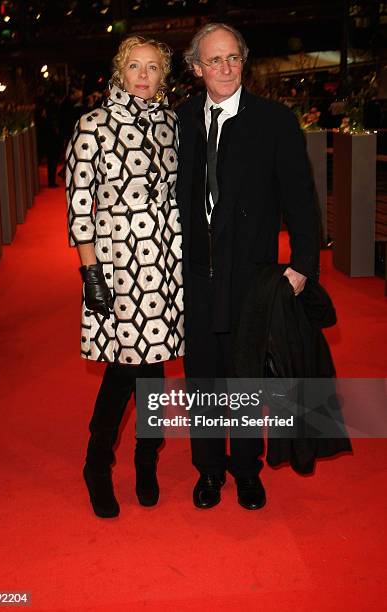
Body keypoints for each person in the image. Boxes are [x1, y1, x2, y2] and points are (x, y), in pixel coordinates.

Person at [176, 23, 319, 510]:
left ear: (244, 61)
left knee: (244, 378)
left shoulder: (274, 120)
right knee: (205, 377)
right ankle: (210, 470)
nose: (224, 68)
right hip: (196, 275)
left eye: (232, 58)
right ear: (196, 68)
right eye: (213, 60)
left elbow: (301, 199)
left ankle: (246, 469)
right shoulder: (181, 120)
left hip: (251, 275)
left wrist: (302, 264)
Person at [66, 36, 184, 518]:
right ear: (119, 71)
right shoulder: (92, 125)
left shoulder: (172, 123)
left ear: (164, 74)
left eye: (153, 67)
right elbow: (79, 207)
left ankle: (146, 460)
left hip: (167, 264)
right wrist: (90, 272)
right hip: (118, 264)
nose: (143, 74)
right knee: (122, 370)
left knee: (153, 368)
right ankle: (97, 465)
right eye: (134, 66)